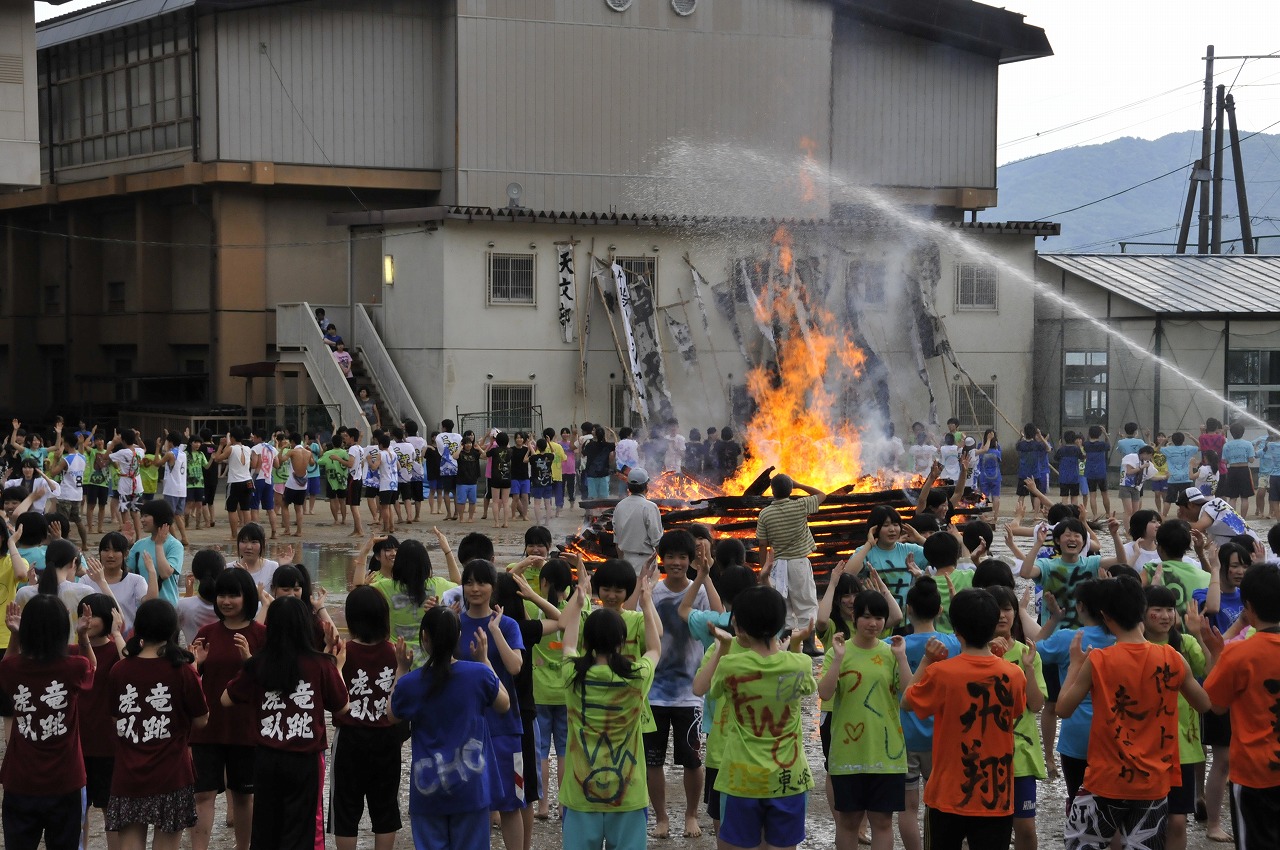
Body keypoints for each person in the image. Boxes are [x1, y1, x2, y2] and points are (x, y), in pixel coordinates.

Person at [1056, 576, 1212, 850]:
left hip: (1105, 780)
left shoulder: (1098, 660)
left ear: (1105, 615)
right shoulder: (1173, 658)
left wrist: (1073, 667)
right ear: (1142, 611)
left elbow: (1063, 709)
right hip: (1154, 783)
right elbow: (1204, 705)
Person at [222, 596, 348, 850]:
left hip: (267, 758)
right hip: (305, 760)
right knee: (300, 830)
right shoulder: (321, 664)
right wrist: (339, 667)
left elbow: (226, 699)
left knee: (266, 827)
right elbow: (342, 706)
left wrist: (248, 666)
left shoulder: (258, 664)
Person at [697, 586, 816, 850]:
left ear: (739, 627)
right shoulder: (800, 664)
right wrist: (795, 644)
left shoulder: (730, 665)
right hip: (789, 776)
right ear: (780, 624)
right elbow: (806, 686)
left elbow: (700, 688)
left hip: (742, 778)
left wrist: (721, 649)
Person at [389, 605, 509, 850]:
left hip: (428, 788)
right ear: (459, 637)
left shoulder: (412, 683)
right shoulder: (477, 675)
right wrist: (485, 660)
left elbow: (391, 715)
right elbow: (504, 704)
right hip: (471, 787)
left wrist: (401, 669)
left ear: (425, 638)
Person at [558, 561, 658, 850]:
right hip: (628, 794)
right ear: (620, 642)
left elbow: (568, 645)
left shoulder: (572, 674)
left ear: (588, 641)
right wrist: (646, 602)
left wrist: (579, 602)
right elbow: (654, 648)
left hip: (579, 794)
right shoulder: (637, 676)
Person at [107, 599, 208, 850]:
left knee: (130, 842)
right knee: (167, 842)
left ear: (138, 628)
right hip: (171, 772)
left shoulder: (119, 670)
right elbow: (202, 720)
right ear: (173, 629)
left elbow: (115, 719)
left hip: (128, 772)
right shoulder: (183, 671)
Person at [0, 594, 96, 850]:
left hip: (20, 779)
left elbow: (6, 667)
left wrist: (14, 635)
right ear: (63, 630)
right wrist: (84, 637)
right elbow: (91, 669)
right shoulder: (74, 667)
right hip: (66, 778)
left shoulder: (13, 670)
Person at [817, 590, 911, 850]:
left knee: (882, 822)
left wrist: (902, 657)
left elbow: (909, 694)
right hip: (848, 753)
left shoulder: (892, 652)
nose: (873, 623)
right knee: (848, 821)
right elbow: (824, 693)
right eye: (867, 616)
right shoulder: (838, 652)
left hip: (887, 754)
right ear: (855, 617)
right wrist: (837, 658)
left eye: (879, 617)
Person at [1201, 562, 1280, 850]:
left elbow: (1215, 705)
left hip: (1253, 771)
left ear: (1248, 606)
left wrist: (1215, 655)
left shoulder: (1238, 653)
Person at [188, 568, 263, 850]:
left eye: (234, 594)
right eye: (222, 594)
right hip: (209, 727)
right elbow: (192, 679)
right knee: (202, 794)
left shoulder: (261, 635)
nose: (226, 601)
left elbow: (269, 681)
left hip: (246, 728)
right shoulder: (207, 633)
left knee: (244, 796)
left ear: (248, 598)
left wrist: (251, 660)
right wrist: (196, 664)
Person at [455, 559, 526, 850]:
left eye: (481, 582)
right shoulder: (455, 622)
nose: (474, 589)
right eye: (469, 582)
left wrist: (495, 632)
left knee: (511, 801)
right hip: (464, 725)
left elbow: (515, 667)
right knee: (474, 802)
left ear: (493, 588)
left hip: (505, 726)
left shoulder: (507, 625)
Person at [646, 529, 711, 839]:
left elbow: (721, 617)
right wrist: (640, 586)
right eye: (670, 556)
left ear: (690, 560)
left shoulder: (698, 592)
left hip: (689, 693)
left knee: (692, 759)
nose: (676, 562)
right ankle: (660, 817)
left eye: (682, 557)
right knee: (652, 759)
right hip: (655, 692)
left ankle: (690, 814)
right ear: (662, 559)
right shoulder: (655, 592)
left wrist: (705, 575)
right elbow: (631, 620)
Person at [331, 586, 404, 850]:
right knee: (385, 808)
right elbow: (402, 699)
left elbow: (335, 700)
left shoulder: (344, 652)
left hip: (350, 737)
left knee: (345, 809)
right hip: (386, 737)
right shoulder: (394, 651)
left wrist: (337, 666)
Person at [78, 593, 125, 850]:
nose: (88, 619)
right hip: (77, 741)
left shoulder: (116, 649)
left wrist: (118, 633)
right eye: (82, 613)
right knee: (78, 808)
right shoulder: (73, 651)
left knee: (112, 809)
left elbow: (133, 668)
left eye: (93, 614)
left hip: (109, 742)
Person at [755, 474, 826, 633]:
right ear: (790, 490)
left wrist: (763, 568)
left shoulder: (765, 514)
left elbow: (762, 544)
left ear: (772, 491)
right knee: (806, 603)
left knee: (782, 603)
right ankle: (808, 643)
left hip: (777, 564)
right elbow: (822, 495)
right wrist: (799, 484)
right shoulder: (800, 505)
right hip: (799, 563)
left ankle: (784, 640)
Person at [81, 531, 155, 634]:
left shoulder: (135, 580)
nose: (110, 555)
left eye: (116, 550)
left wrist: (152, 572)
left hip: (125, 637)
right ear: (100, 553)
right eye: (106, 550)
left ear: (125, 554)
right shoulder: (86, 580)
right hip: (94, 639)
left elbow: (150, 603)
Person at [127, 499, 184, 606]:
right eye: (142, 516)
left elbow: (165, 573)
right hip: (141, 607)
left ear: (159, 517)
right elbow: (125, 573)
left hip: (167, 607)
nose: (142, 520)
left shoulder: (174, 545)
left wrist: (159, 545)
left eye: (146, 516)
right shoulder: (138, 545)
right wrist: (124, 545)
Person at [612, 467, 664, 574]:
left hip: (625, 562)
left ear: (629, 487)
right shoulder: (650, 507)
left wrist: (622, 564)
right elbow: (656, 541)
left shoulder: (619, 506)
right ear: (646, 487)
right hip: (645, 563)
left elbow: (617, 542)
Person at [1175, 485, 1258, 546]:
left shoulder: (1210, 506)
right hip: (1251, 546)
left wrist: (1181, 522)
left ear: (1190, 505)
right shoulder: (1214, 505)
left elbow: (1197, 528)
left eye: (1181, 509)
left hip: (1249, 549)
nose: (1180, 512)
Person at [213, 428, 254, 542]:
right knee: (246, 509)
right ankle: (248, 534)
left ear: (232, 438)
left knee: (232, 509)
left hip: (235, 481)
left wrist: (221, 445)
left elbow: (217, 458)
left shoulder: (231, 449)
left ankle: (234, 535)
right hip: (248, 481)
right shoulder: (247, 449)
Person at [108, 428, 146, 541]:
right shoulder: (138, 451)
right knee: (136, 513)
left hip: (125, 486)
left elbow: (105, 457)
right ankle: (138, 537)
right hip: (137, 485)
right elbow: (144, 448)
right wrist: (138, 438)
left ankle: (128, 537)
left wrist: (113, 443)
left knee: (125, 512)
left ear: (123, 441)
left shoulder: (122, 452)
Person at [1219, 422, 1257, 518]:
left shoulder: (1227, 445)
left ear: (1231, 433)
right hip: (1244, 470)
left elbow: (1224, 460)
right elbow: (1251, 460)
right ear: (1243, 432)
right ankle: (1243, 519)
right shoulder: (1248, 444)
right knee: (1245, 497)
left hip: (1232, 471)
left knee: (1232, 497)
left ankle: (1234, 518)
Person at [161, 431, 190, 546]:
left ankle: (174, 539)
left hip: (171, 489)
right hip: (182, 489)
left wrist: (158, 447)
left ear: (170, 442)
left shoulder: (170, 454)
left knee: (168, 516)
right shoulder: (183, 453)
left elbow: (158, 463)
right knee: (178, 515)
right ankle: (184, 537)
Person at [281, 432, 312, 538]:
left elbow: (281, 460)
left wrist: (282, 448)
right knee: (298, 508)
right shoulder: (307, 452)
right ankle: (299, 531)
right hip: (303, 484)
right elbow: (312, 463)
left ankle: (287, 529)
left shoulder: (292, 452)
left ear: (293, 442)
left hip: (291, 483)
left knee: (284, 505)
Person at [1015, 425, 1051, 512]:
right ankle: (1036, 514)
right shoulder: (1037, 445)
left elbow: (1017, 445)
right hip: (1035, 474)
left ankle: (1019, 512)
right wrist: (1041, 437)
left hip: (1023, 473)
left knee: (1021, 495)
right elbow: (1048, 449)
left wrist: (1021, 437)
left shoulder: (1021, 444)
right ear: (1035, 433)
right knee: (1036, 495)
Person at [1118, 443, 1160, 520]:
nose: (1150, 458)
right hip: (1126, 486)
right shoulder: (1132, 457)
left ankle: (1134, 528)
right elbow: (1129, 471)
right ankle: (1128, 530)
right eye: (1149, 455)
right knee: (1128, 511)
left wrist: (1163, 477)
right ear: (1144, 453)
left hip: (1136, 487)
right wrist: (1142, 467)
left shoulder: (1148, 463)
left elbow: (1151, 477)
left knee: (1135, 512)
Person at [581, 425, 616, 502]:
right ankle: (601, 512)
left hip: (591, 473)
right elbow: (617, 445)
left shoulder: (590, 445)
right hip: (604, 473)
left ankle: (593, 513)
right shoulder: (608, 445)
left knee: (592, 498)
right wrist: (613, 434)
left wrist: (581, 445)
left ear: (595, 435)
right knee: (604, 498)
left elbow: (583, 454)